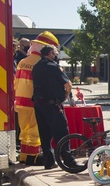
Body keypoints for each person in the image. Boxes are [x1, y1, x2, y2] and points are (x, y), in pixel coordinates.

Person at [14, 31, 60, 165]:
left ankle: (24, 156)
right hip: (34, 101)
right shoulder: (42, 63)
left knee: (24, 131)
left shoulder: (22, 62)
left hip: (21, 101)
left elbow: (16, 82)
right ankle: (32, 157)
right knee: (35, 132)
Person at [32, 44, 72, 169]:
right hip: (52, 105)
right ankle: (68, 160)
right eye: (55, 53)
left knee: (45, 134)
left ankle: (49, 161)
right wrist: (65, 96)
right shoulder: (54, 67)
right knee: (61, 132)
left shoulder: (36, 67)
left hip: (39, 105)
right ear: (50, 53)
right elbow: (68, 84)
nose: (56, 56)